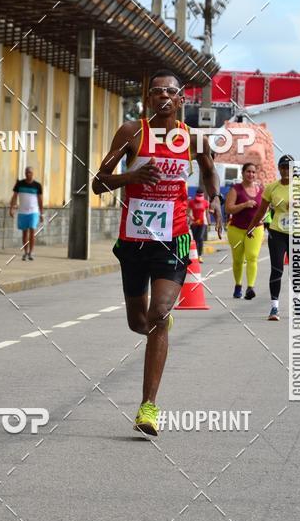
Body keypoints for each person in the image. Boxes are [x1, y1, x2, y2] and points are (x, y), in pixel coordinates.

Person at [92, 69, 222, 436]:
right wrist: (129, 178)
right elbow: (98, 183)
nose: (162, 96)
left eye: (170, 91)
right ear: (148, 99)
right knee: (140, 322)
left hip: (174, 236)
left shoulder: (193, 139)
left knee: (160, 313)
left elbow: (210, 172)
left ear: (182, 100)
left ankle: (148, 407)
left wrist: (213, 198)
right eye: (155, 91)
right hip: (134, 240)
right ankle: (156, 326)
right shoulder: (132, 133)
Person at [246, 154, 296, 321]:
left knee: (298, 271)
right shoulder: (271, 188)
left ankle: (299, 302)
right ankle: (274, 307)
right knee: (277, 269)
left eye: (288, 167)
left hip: (298, 233)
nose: (285, 170)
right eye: (282, 167)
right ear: (279, 169)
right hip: (277, 232)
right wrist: (251, 226)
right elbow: (261, 210)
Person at [224, 162, 264, 299]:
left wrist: (264, 216)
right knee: (238, 259)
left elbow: (266, 207)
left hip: (255, 229)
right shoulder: (236, 189)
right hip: (236, 229)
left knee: (252, 257)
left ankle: (250, 288)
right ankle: (238, 285)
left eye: (253, 172)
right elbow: (228, 209)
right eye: (248, 171)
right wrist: (245, 204)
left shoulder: (261, 189)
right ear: (243, 173)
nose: (251, 174)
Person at [9, 166, 43, 260]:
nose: (28, 174)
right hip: (22, 212)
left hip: (33, 212)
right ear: (25, 173)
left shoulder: (37, 185)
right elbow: (14, 197)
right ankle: (25, 252)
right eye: (27, 172)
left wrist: (41, 213)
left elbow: (40, 200)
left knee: (32, 230)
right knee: (24, 233)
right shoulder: (19, 184)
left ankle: (31, 253)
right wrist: (11, 208)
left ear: (33, 174)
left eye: (30, 173)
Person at [187, 186, 210, 258]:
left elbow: (207, 213)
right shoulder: (191, 202)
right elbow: (188, 212)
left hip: (203, 223)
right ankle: (196, 255)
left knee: (200, 238)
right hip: (194, 223)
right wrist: (191, 217)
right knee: (195, 239)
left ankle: (200, 255)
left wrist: (209, 223)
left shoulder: (206, 203)